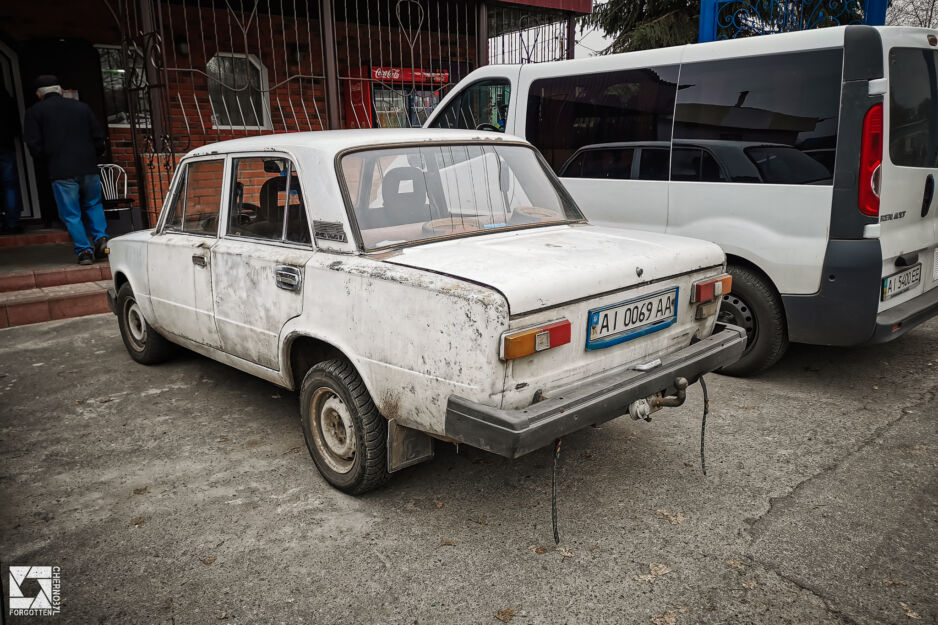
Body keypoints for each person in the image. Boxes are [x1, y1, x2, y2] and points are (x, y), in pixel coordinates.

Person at [24, 75, 108, 265]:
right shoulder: (82, 107)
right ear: (60, 90)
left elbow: (34, 146)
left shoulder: (35, 112)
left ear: (39, 94)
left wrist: (48, 159)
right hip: (88, 167)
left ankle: (84, 251)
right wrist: (91, 156)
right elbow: (99, 138)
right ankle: (101, 239)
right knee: (94, 204)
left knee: (71, 213)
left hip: (61, 170)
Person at [0, 84, 23, 234]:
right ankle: (13, 222)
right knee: (10, 184)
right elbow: (15, 123)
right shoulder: (4, 97)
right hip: (4, 143)